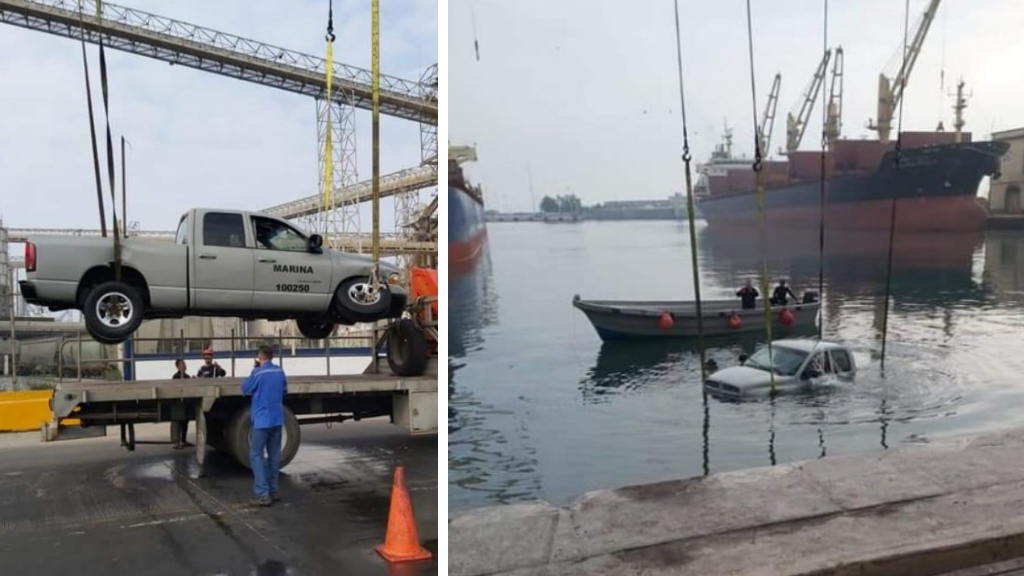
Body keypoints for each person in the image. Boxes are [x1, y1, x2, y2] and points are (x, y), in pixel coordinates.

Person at [241, 344, 288, 507]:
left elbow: (245, 388)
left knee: (256, 455)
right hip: (277, 419)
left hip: (262, 421)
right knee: (274, 456)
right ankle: (274, 491)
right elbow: (284, 390)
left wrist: (254, 370)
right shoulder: (279, 371)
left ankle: (262, 493)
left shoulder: (258, 373)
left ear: (260, 357)